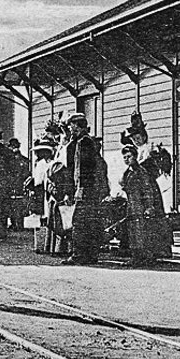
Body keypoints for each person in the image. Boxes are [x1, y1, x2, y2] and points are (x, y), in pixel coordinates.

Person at [61, 113, 106, 265]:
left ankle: (79, 255)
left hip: (86, 189)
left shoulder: (84, 143)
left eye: (72, 126)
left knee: (80, 222)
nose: (70, 129)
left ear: (78, 126)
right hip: (86, 189)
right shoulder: (78, 143)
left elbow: (85, 168)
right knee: (88, 222)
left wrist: (80, 188)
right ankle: (90, 255)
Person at [120, 145, 171, 264]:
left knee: (141, 233)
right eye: (124, 157)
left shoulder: (141, 172)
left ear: (135, 156)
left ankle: (143, 258)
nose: (127, 159)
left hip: (140, 206)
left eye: (129, 156)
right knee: (133, 232)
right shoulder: (128, 172)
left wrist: (149, 206)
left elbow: (147, 190)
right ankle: (137, 257)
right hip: (132, 205)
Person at [6, 138, 31, 230]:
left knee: (15, 204)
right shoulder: (25, 160)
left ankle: (15, 224)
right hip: (20, 184)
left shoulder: (10, 161)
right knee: (18, 205)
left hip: (15, 184)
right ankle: (19, 224)